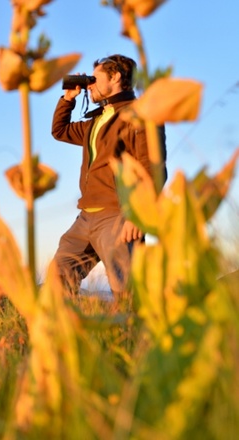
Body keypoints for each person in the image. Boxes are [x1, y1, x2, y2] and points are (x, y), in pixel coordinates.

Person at [50, 54, 166, 297]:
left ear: (115, 77)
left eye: (95, 78)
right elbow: (59, 131)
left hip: (117, 216)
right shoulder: (97, 120)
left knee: (128, 293)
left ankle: (134, 335)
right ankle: (64, 333)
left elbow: (152, 166)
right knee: (58, 279)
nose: (89, 84)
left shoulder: (140, 115)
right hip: (85, 218)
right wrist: (68, 98)